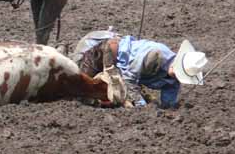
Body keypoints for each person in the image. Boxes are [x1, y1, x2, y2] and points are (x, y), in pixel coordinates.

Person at [73, 30, 208, 109]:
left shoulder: (173, 82)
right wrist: (141, 106)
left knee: (113, 95)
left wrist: (169, 109)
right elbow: (129, 79)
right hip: (107, 51)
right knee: (82, 90)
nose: (176, 78)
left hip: (123, 64)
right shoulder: (154, 56)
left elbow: (168, 104)